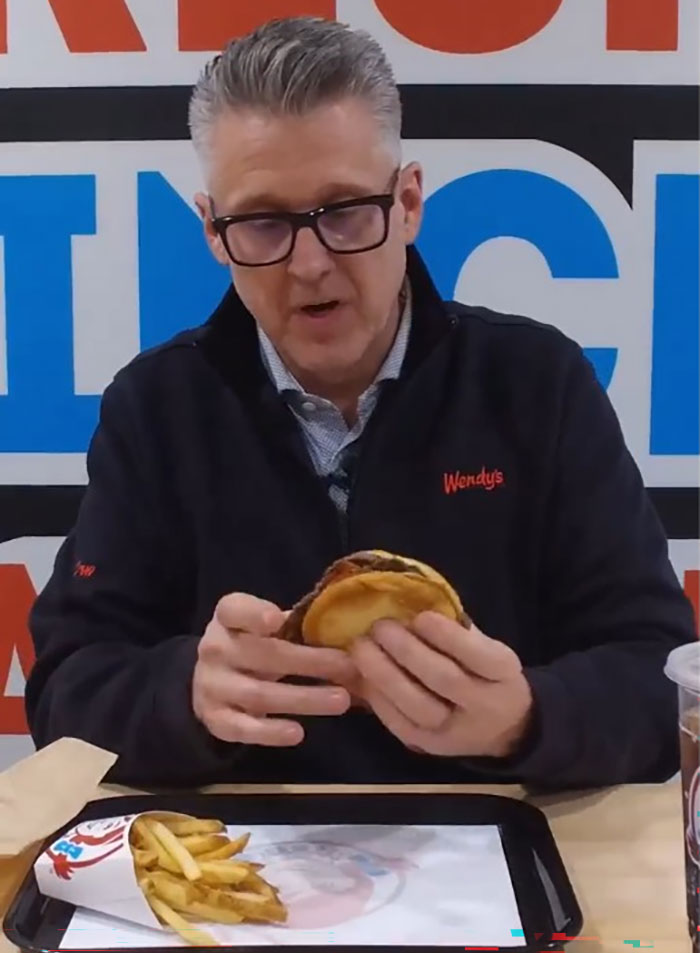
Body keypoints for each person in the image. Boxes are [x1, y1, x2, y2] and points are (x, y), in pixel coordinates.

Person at [25, 17, 696, 789]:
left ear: (407, 204)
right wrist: (188, 698)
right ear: (214, 231)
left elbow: (661, 678)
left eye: (345, 211)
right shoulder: (157, 409)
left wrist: (530, 716)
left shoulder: (537, 384)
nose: (310, 264)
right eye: (266, 222)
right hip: (242, 879)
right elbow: (65, 692)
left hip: (500, 866)